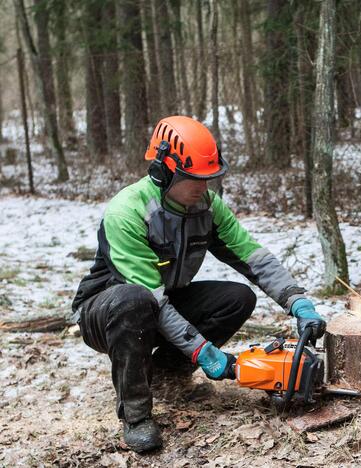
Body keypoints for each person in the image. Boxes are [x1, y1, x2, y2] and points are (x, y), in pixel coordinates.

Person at [71, 116, 326, 453]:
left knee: (237, 298)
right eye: (194, 179)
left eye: (209, 179)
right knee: (134, 301)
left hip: (164, 301)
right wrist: (202, 350)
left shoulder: (206, 206)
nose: (203, 187)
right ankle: (135, 415)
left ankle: (167, 370)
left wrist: (297, 301)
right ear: (163, 171)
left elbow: (250, 254)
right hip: (107, 310)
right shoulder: (128, 211)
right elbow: (152, 298)